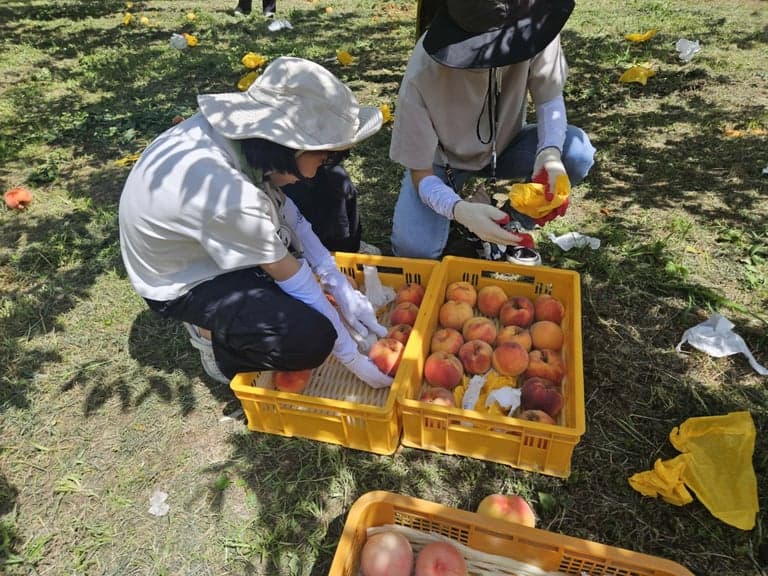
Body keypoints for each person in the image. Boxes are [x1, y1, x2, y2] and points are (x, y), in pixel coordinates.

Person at [118, 57, 393, 389]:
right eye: (327, 154)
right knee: (309, 339)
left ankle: (252, 295)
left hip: (211, 234)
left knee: (326, 183)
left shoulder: (247, 144)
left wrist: (335, 280)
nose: (328, 161)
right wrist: (351, 356)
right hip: (186, 279)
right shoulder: (227, 194)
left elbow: (293, 216)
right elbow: (294, 280)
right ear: (289, 146)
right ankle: (212, 338)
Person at [389, 0, 596, 262]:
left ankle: (512, 220)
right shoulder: (423, 70)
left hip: (507, 146)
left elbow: (549, 98)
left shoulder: (535, 28)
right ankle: (472, 218)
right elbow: (422, 174)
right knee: (414, 252)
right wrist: (459, 209)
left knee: (576, 152)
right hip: (442, 163)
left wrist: (550, 153)